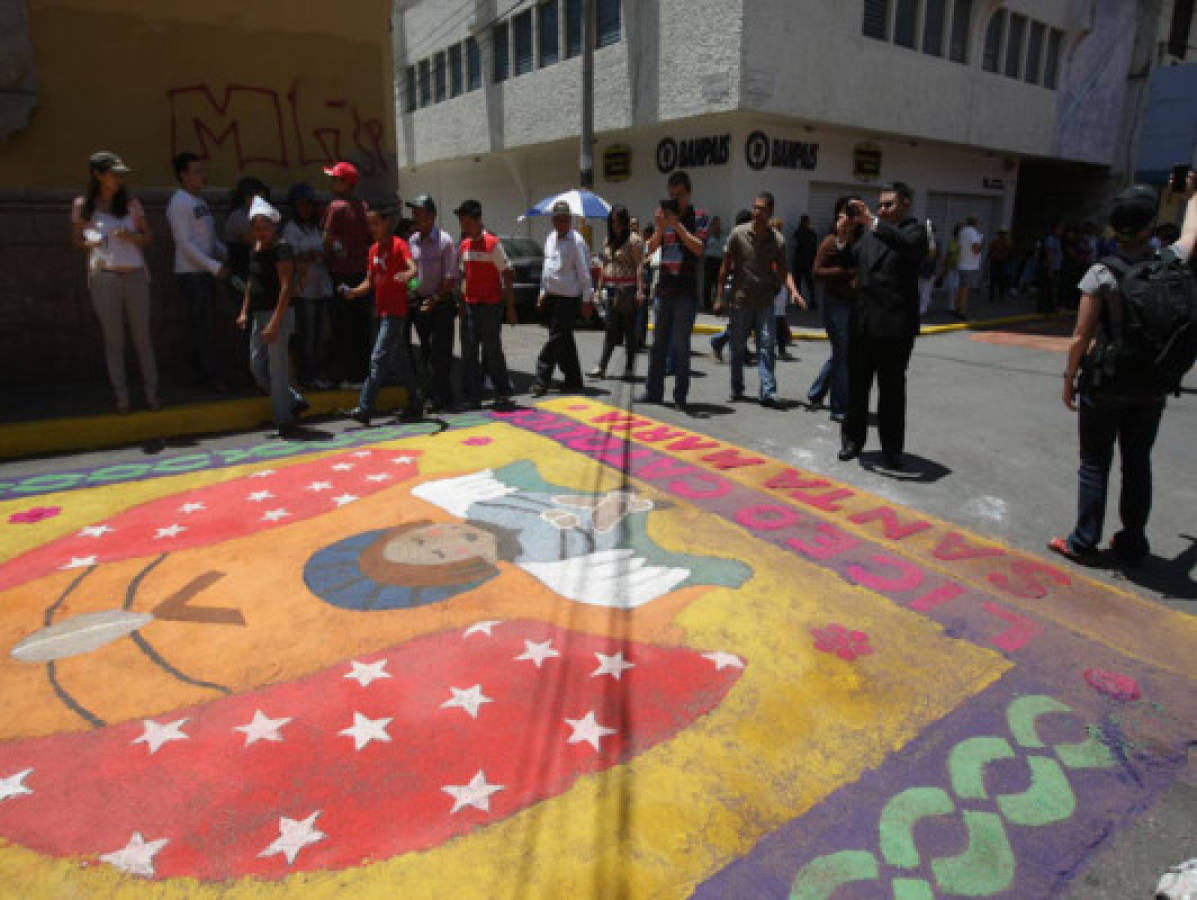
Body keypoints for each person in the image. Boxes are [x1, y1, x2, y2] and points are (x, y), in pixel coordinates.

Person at [1049, 179, 1196, 566]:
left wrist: (1069, 380)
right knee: (1138, 463)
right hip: (1152, 384)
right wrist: (1193, 196)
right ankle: (1132, 541)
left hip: (1107, 381)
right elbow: (1194, 232)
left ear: (1115, 227)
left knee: (1095, 463)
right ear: (1150, 227)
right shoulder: (1171, 260)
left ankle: (1083, 541)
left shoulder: (1101, 272)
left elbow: (1081, 336)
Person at [838, 182, 929, 469]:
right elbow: (850, 260)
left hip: (893, 328)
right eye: (879, 205)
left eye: (888, 204)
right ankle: (852, 440)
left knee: (891, 391)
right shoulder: (871, 232)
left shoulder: (914, 231)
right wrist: (843, 236)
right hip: (862, 323)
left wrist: (871, 222)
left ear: (905, 204)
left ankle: (892, 449)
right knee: (857, 387)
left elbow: (908, 247)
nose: (881, 209)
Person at [71, 151, 159, 414]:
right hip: (104, 275)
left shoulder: (131, 203)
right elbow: (77, 240)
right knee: (114, 339)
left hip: (134, 273)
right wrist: (90, 242)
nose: (118, 178)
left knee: (142, 337)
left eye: (120, 174)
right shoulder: (82, 205)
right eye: (113, 173)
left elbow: (148, 237)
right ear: (97, 175)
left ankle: (152, 392)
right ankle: (122, 396)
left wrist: (131, 236)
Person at [715, 192, 805, 408]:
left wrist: (794, 291)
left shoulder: (778, 240)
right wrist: (719, 297)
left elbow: (784, 271)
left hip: (765, 302)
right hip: (740, 300)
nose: (757, 212)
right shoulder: (738, 234)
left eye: (762, 208)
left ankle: (768, 392)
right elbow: (725, 267)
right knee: (737, 347)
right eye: (755, 207)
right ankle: (737, 388)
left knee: (766, 346)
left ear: (771, 212)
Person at [341, 207, 422, 426]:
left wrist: (407, 274)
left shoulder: (399, 245)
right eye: (369, 225)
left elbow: (413, 268)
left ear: (386, 222)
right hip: (381, 311)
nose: (372, 229)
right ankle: (416, 401)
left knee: (377, 359)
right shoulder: (373, 251)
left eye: (375, 223)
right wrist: (354, 292)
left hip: (395, 313)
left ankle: (365, 408)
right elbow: (369, 281)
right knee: (402, 361)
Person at [639, 170, 710, 411]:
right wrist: (660, 227)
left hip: (686, 294)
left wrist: (677, 226)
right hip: (664, 291)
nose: (675, 200)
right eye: (671, 196)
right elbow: (649, 250)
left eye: (679, 195)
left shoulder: (700, 216)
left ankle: (680, 396)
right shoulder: (664, 219)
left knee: (681, 347)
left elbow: (699, 249)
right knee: (657, 345)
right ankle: (653, 391)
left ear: (688, 194)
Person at [236, 198, 307, 437]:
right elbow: (250, 282)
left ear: (274, 227)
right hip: (258, 315)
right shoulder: (255, 250)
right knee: (256, 365)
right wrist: (244, 311)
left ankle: (283, 419)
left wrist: (275, 323)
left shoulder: (282, 249)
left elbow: (286, 287)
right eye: (256, 228)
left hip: (279, 313)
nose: (261, 232)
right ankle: (293, 399)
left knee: (277, 369)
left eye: (265, 227)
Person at [167, 152, 230, 392]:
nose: (203, 176)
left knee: (206, 325)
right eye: (197, 171)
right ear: (183, 175)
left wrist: (225, 255)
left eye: (202, 171)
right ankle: (210, 377)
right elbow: (184, 243)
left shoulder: (200, 202)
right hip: (191, 274)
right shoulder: (179, 202)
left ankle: (202, 375)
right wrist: (214, 267)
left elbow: (209, 240)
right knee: (202, 327)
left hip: (205, 273)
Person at [455, 199, 517, 410]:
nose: (463, 225)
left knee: (492, 351)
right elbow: (464, 276)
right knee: (469, 352)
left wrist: (510, 308)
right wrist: (462, 305)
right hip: (471, 306)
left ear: (478, 220)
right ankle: (472, 397)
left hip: (491, 306)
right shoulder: (464, 245)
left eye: (466, 221)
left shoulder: (492, 244)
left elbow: (508, 275)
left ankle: (502, 392)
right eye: (461, 222)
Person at [532, 201, 594, 396]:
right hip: (552, 296)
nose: (564, 222)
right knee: (564, 340)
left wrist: (587, 300)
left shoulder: (577, 241)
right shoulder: (550, 238)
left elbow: (585, 273)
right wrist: (542, 292)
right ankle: (574, 379)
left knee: (556, 339)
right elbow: (547, 268)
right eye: (560, 218)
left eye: (567, 218)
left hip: (568, 299)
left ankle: (542, 378)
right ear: (554, 220)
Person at [807, 196, 861, 422]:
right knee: (843, 354)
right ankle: (839, 407)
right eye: (845, 213)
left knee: (842, 353)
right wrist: (847, 273)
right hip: (835, 304)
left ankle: (816, 392)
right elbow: (817, 273)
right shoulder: (830, 241)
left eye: (853, 213)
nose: (849, 219)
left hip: (854, 303)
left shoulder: (860, 239)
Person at [404, 194, 459, 414]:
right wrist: (412, 292)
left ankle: (444, 397)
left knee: (441, 353)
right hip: (420, 303)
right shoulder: (412, 241)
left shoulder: (445, 241)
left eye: (421, 213)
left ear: (433, 216)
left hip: (441, 303)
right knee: (426, 352)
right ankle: (431, 396)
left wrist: (435, 299)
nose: (416, 217)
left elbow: (451, 276)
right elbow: (413, 274)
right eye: (415, 213)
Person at [321, 161, 372, 388]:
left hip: (341, 275)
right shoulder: (364, 206)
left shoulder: (336, 207)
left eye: (335, 179)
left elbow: (327, 238)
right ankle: (362, 373)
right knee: (362, 326)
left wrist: (330, 253)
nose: (332, 183)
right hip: (362, 274)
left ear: (345, 183)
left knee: (343, 327)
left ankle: (347, 375)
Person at [282, 182, 332, 389]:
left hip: (322, 287)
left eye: (309, 205)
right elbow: (288, 257)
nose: (306, 209)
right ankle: (307, 376)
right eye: (302, 205)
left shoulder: (318, 227)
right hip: (304, 290)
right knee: (307, 335)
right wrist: (308, 256)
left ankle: (317, 374)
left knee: (321, 335)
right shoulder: (291, 229)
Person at [591, 204, 644, 380]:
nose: (616, 225)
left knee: (629, 331)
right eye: (613, 222)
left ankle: (629, 368)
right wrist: (598, 290)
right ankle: (602, 366)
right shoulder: (608, 240)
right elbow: (604, 266)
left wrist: (640, 290)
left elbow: (639, 266)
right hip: (611, 289)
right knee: (610, 329)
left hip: (627, 290)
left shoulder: (634, 240)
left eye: (619, 221)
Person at [955, 215, 984, 318]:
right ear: (975, 223)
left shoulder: (962, 232)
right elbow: (976, 250)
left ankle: (957, 308)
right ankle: (962, 311)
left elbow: (959, 247)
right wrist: (981, 242)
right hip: (970, 265)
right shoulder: (973, 233)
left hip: (962, 263)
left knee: (961, 288)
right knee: (965, 289)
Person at [792, 214, 819, 308]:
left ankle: (799, 302)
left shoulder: (797, 233)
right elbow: (814, 249)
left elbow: (795, 247)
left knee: (798, 283)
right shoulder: (812, 233)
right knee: (809, 283)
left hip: (799, 261)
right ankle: (812, 302)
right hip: (808, 261)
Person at [917, 218, 938, 316]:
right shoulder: (934, 241)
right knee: (925, 291)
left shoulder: (931, 241)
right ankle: (922, 308)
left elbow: (933, 255)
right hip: (927, 270)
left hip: (923, 269)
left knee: (922, 290)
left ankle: (922, 308)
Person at [703, 215, 724, 309]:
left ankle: (717, 303)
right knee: (707, 283)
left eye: (718, 223)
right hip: (709, 260)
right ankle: (706, 304)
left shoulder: (722, 235)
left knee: (717, 283)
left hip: (719, 260)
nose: (717, 225)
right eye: (715, 223)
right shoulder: (707, 235)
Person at [987, 229, 1013, 303]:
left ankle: (995, 295)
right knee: (997, 278)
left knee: (997, 278)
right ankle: (996, 295)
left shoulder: (998, 241)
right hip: (998, 261)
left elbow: (990, 251)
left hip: (999, 261)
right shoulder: (1000, 242)